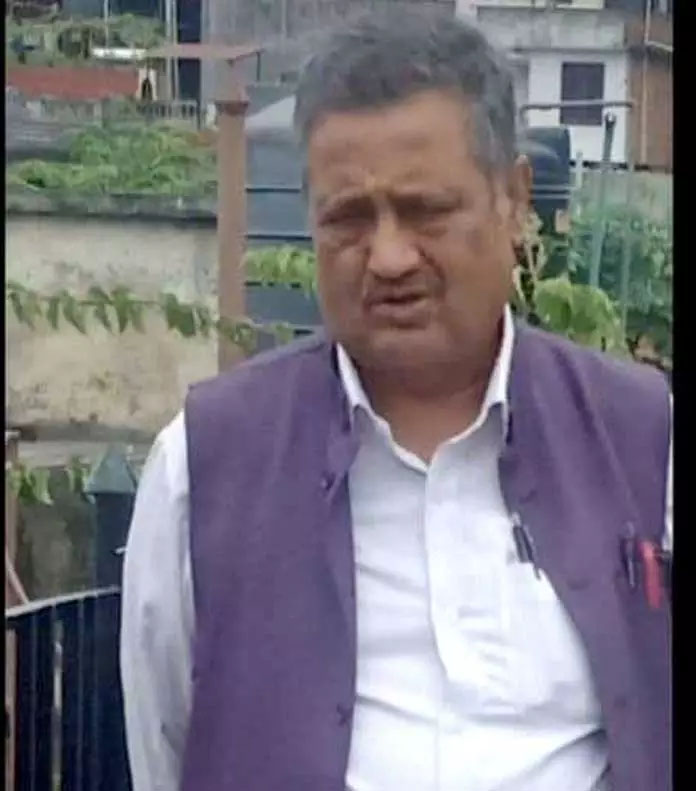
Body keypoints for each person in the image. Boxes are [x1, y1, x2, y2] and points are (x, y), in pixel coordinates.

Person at [120, 11, 672, 791]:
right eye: (348, 218)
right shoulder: (204, 468)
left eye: (425, 211)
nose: (387, 257)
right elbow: (167, 748)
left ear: (515, 200)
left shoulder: (643, 441)